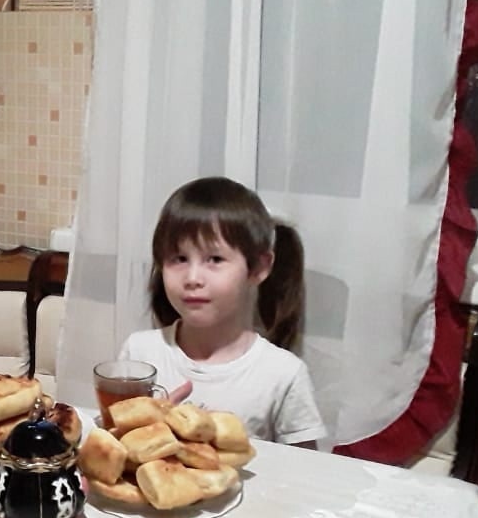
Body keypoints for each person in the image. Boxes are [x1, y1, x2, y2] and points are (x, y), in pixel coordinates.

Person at [119, 176, 326, 447]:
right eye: (179, 259)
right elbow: (112, 449)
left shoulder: (283, 374)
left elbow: (307, 468)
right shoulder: (139, 353)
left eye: (214, 259)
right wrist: (148, 430)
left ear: (258, 268)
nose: (193, 278)